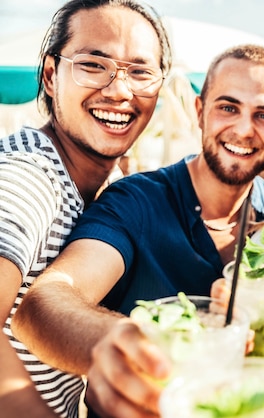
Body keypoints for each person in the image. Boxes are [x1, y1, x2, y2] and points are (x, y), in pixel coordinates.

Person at [12, 43, 264, 417]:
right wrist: (115, 342)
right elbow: (43, 302)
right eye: (228, 107)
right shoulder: (136, 201)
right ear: (200, 112)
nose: (243, 129)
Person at [0, 0, 171, 417]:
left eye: (141, 71)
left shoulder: (106, 187)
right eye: (94, 65)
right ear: (51, 76)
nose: (119, 90)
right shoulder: (26, 177)